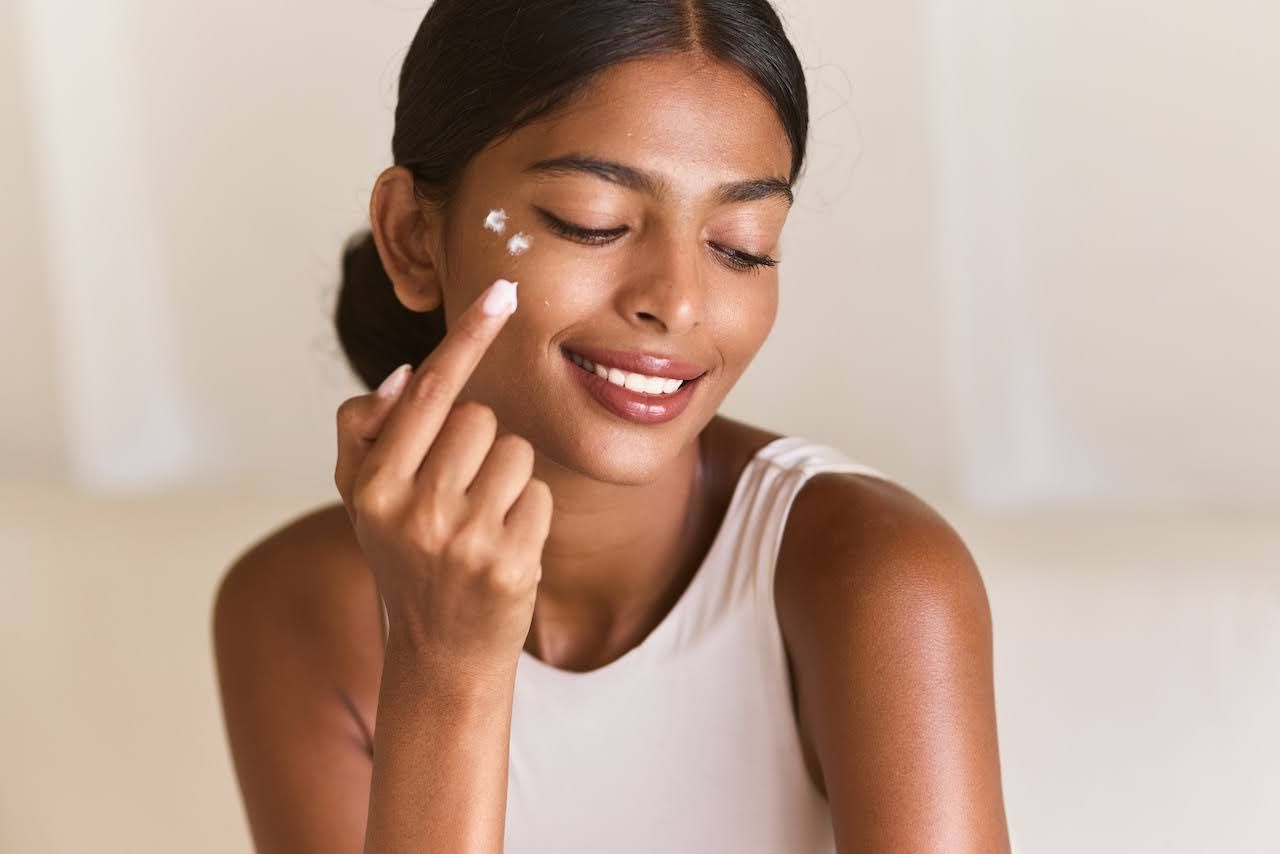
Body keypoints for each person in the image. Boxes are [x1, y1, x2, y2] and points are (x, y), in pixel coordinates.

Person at [211, 1, 1013, 851]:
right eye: (591, 220)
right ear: (413, 237)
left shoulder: (878, 581)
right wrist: (445, 664)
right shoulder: (296, 609)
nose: (676, 301)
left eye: (740, 244)